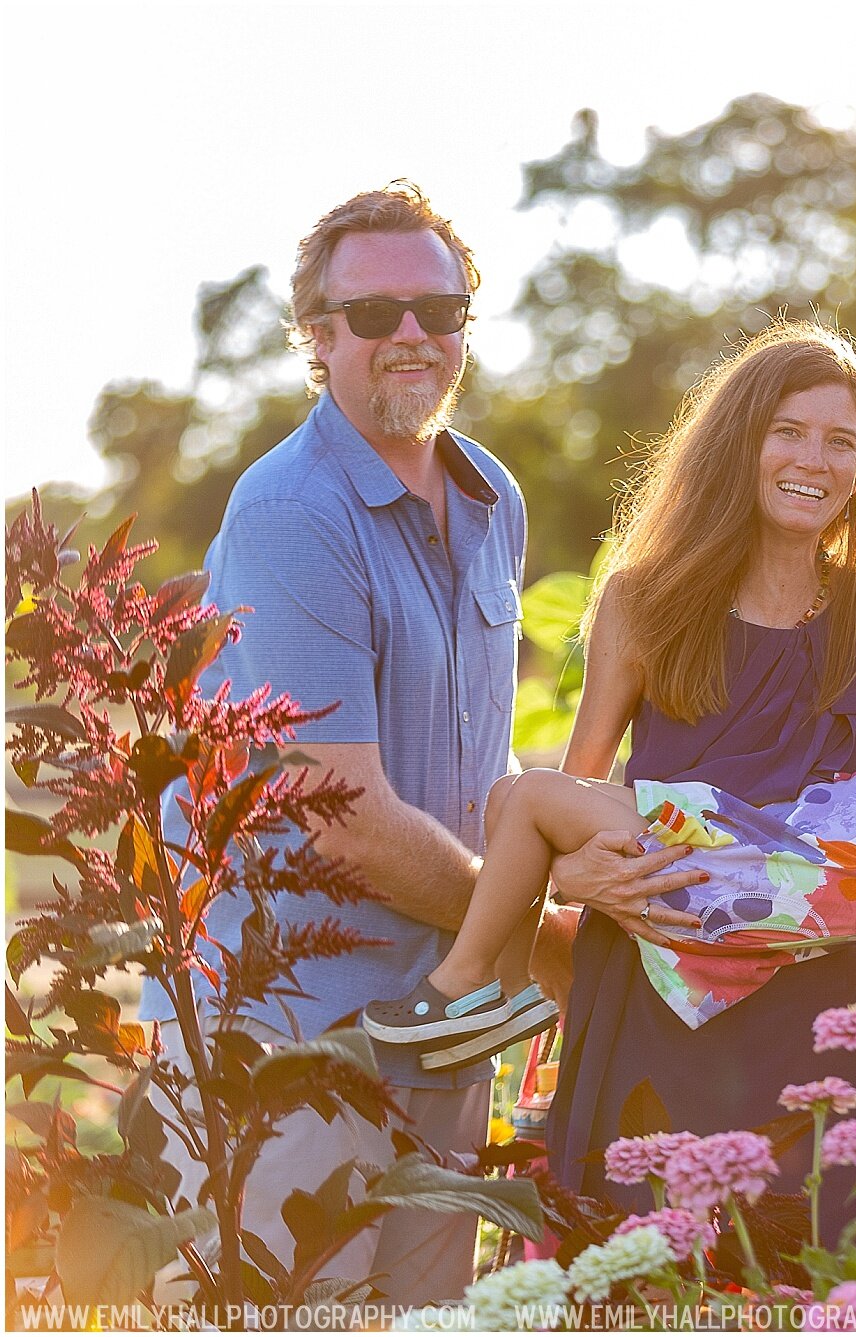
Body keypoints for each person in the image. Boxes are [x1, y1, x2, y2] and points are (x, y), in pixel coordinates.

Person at [137, 183, 521, 1304]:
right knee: (282, 1313)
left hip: (446, 1005)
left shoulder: (491, 492)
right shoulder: (288, 512)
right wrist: (539, 938)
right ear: (318, 335)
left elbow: (474, 765)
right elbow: (340, 815)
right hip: (293, 1028)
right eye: (374, 313)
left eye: (438, 311)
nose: (411, 334)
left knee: (425, 1318)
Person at [539, 321, 856, 1215]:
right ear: (738, 440)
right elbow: (575, 794)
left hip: (809, 993)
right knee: (637, 1253)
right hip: (652, 973)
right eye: (787, 431)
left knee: (801, 1253)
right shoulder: (644, 597)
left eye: (842, 442)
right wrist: (570, 874)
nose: (813, 460)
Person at [366, 712, 856, 1083]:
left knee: (534, 796)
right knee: (511, 799)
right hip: (741, 836)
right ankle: (507, 995)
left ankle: (456, 986)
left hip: (747, 886)